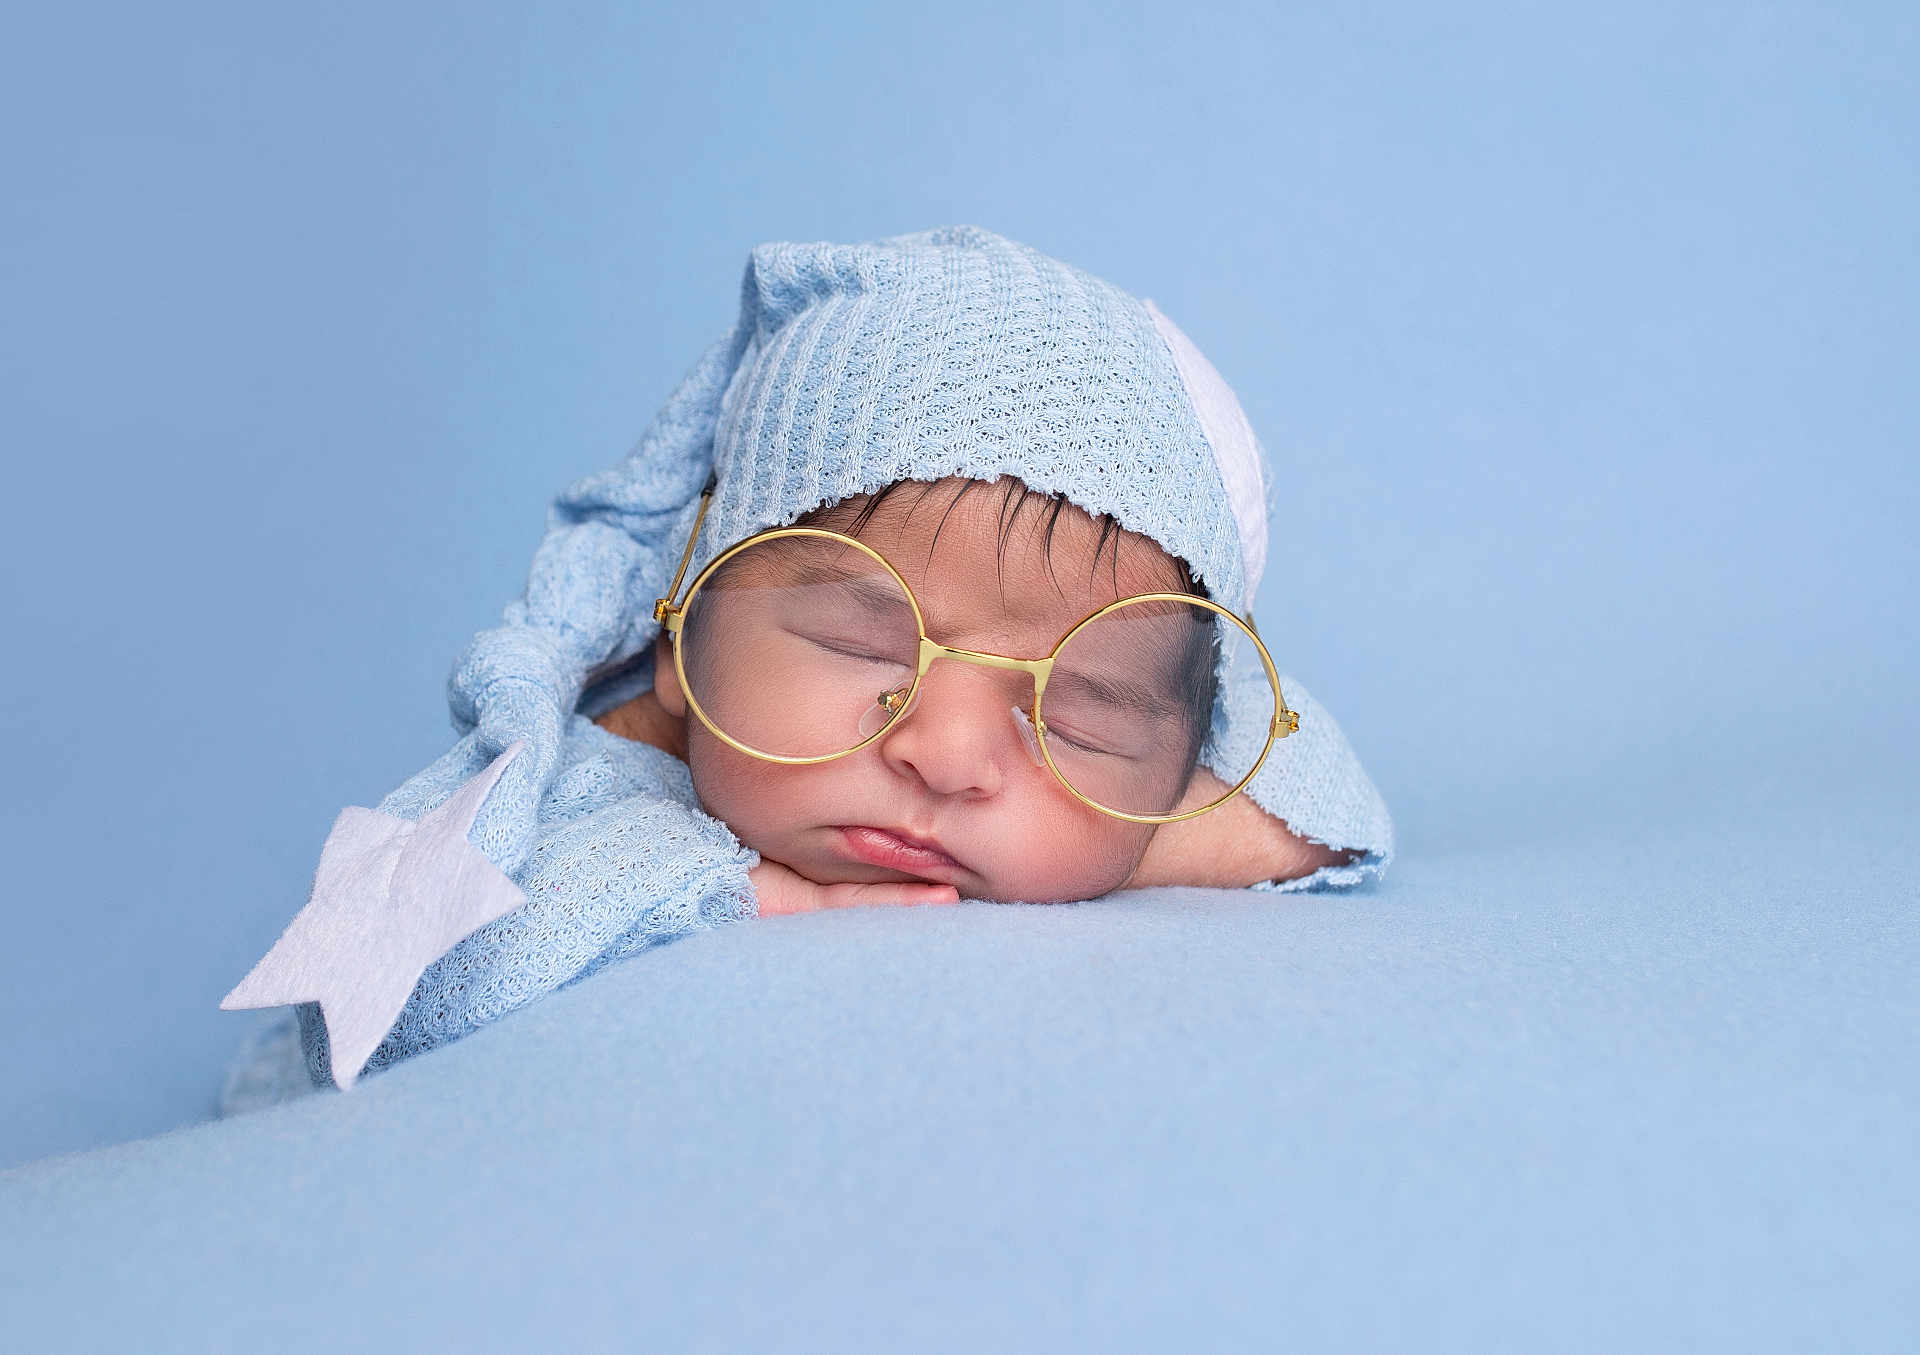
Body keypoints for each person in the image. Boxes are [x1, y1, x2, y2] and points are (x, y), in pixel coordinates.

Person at [218, 225, 1394, 1109]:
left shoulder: (1138, 793)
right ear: (679, 638)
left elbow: (1337, 814)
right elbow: (392, 999)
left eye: (1075, 717)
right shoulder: (586, 790)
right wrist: (737, 889)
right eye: (860, 644)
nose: (946, 754)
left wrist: (1104, 836)